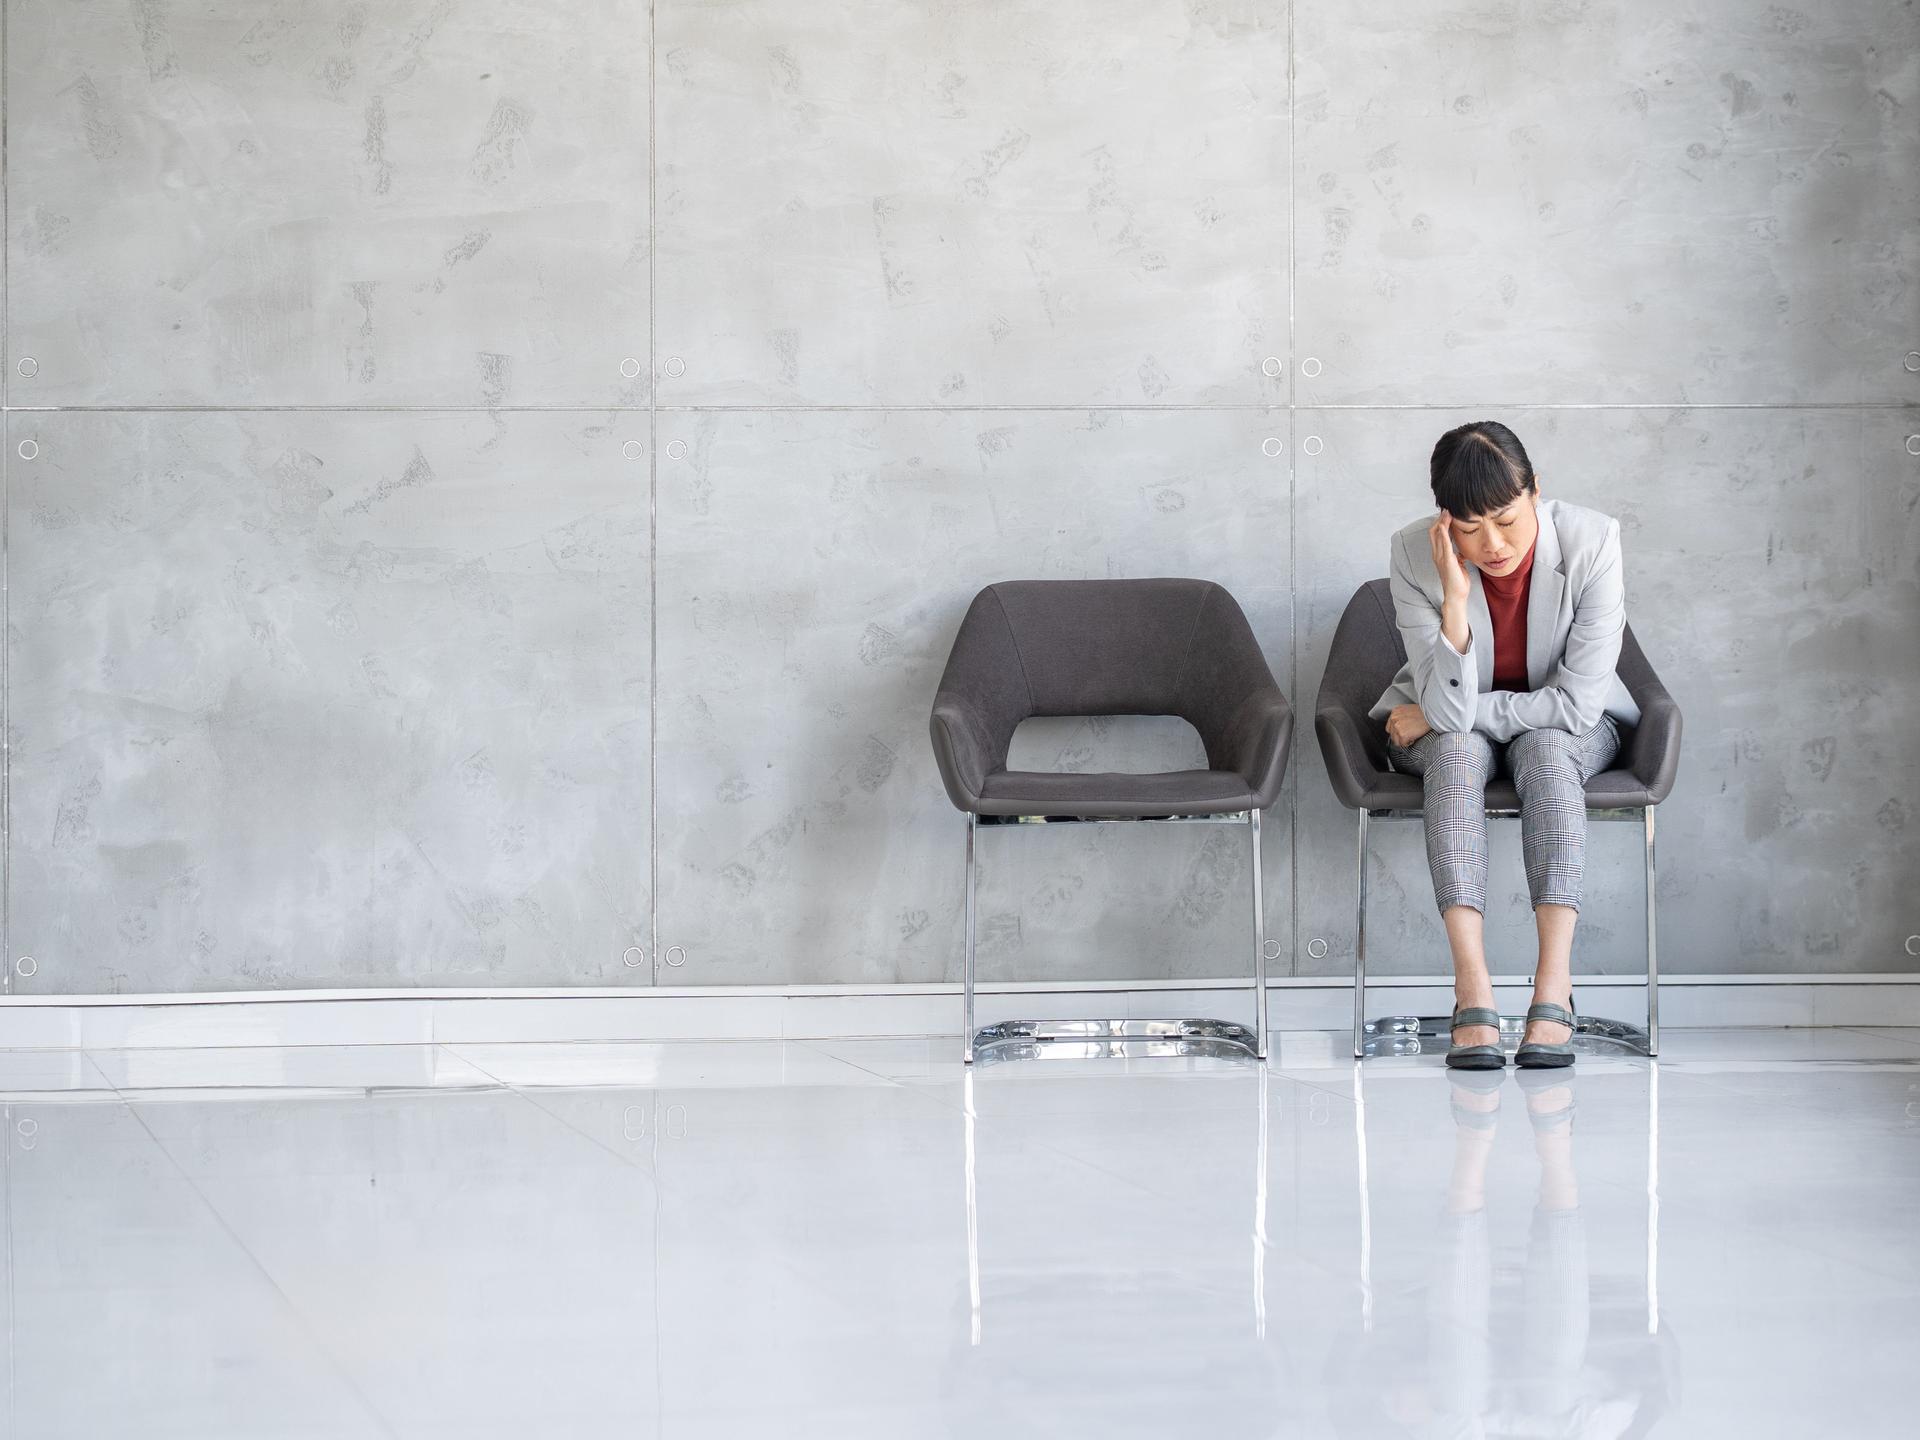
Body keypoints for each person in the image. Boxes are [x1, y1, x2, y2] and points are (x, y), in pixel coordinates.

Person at [1367, 421, 1641, 1070]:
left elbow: (1575, 706)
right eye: (1469, 528)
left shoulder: (1594, 541)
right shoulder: (1413, 555)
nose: (1492, 544)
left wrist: (1447, 715)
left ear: (1536, 491)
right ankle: (1473, 990)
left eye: (1508, 520)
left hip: (1569, 727)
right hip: (1445, 731)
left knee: (1545, 750)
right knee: (1458, 753)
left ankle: (1554, 987)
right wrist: (1455, 603)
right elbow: (1448, 717)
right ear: (1445, 521)